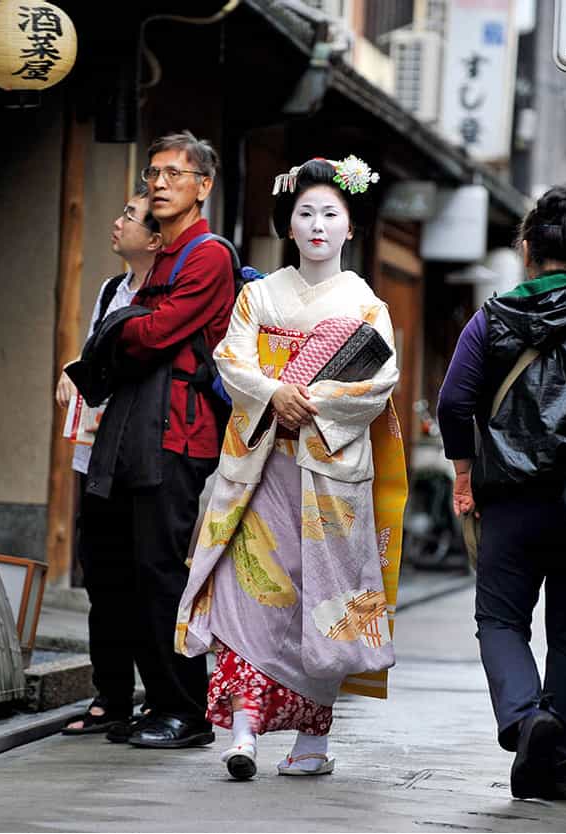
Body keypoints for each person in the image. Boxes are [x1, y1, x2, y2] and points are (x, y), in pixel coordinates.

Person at [174, 156, 408, 781]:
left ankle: (312, 743)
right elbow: (232, 359)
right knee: (247, 595)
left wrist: (315, 403)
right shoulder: (259, 296)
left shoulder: (367, 306)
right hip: (263, 467)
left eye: (331, 213)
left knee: (321, 603)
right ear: (290, 225)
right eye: (306, 213)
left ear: (350, 227)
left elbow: (380, 381)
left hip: (328, 473)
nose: (317, 224)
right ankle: (244, 731)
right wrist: (272, 395)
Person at [436, 185, 566, 801]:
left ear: (526, 249)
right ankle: (557, 769)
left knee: (501, 620)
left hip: (509, 501)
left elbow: (454, 401)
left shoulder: (493, 317)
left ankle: (525, 716)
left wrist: (462, 471)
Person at [108, 131, 236, 749]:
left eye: (173, 174)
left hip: (180, 432)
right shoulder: (161, 254)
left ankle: (187, 710)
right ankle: (159, 699)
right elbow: (133, 325)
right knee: (135, 570)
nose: (157, 184)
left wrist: (125, 329)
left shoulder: (208, 255)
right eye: (152, 173)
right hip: (142, 425)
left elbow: (153, 334)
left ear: (202, 186)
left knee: (163, 571)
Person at [59, 185, 162, 739]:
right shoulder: (110, 289)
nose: (117, 222)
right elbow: (94, 356)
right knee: (102, 573)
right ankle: (111, 694)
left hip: (140, 454)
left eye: (130, 216)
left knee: (144, 574)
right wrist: (72, 367)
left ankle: (153, 693)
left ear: (155, 237)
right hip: (93, 450)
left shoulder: (166, 297)